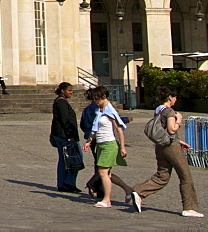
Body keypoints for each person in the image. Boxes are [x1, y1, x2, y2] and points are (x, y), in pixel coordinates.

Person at [131, 86, 203, 217]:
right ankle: (189, 207)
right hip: (171, 147)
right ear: (170, 97)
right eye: (175, 97)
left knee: (162, 175)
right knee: (185, 176)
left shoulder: (158, 110)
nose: (175, 100)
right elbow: (171, 130)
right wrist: (179, 120)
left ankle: (139, 192)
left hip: (160, 146)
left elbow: (162, 130)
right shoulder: (170, 111)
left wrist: (179, 141)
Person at [83, 85, 136, 209]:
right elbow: (96, 128)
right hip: (101, 143)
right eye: (94, 99)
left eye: (97, 98)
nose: (95, 101)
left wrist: (122, 147)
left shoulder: (109, 110)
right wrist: (89, 141)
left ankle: (107, 199)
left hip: (109, 144)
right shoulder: (100, 109)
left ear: (104, 96)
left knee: (102, 172)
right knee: (107, 174)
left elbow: (119, 129)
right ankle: (128, 190)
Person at [49, 82, 82, 193]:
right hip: (64, 135)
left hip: (59, 134)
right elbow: (65, 120)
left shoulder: (59, 101)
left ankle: (62, 183)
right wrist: (71, 136)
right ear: (63, 91)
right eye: (69, 90)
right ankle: (69, 183)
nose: (71, 92)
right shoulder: (61, 102)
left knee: (63, 160)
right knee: (76, 159)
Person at [80, 87, 103, 200]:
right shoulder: (99, 109)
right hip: (101, 138)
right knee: (105, 165)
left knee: (98, 163)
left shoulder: (87, 109)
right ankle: (93, 184)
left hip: (91, 139)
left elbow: (82, 125)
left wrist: (88, 134)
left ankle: (100, 190)